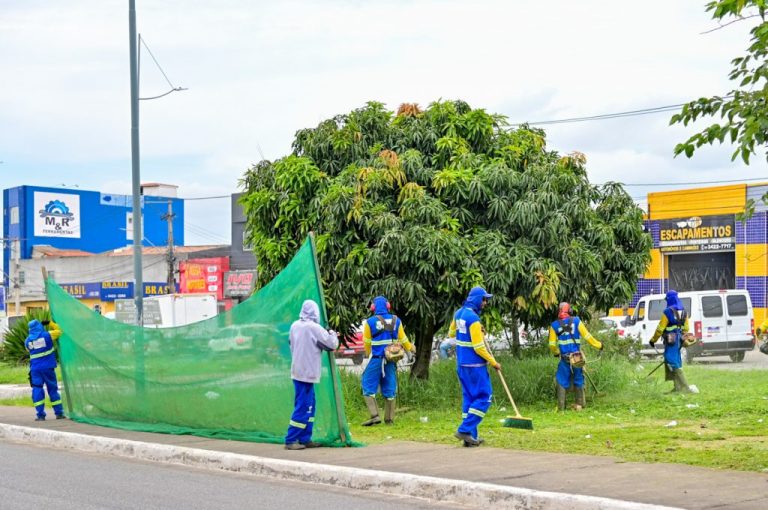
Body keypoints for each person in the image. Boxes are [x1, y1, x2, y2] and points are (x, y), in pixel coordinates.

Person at [449, 286, 500, 447]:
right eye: (484, 299)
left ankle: (470, 437)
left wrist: (477, 331)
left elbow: (451, 333)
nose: (485, 303)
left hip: (462, 364)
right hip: (475, 366)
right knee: (484, 397)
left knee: (470, 400)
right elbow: (479, 347)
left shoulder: (459, 314)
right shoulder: (474, 319)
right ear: (477, 299)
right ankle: (464, 430)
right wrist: (493, 362)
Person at [284, 300, 339, 450]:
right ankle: (291, 439)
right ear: (315, 312)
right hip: (307, 373)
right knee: (303, 406)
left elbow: (292, 343)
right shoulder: (314, 328)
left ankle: (305, 438)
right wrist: (333, 334)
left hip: (297, 371)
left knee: (310, 406)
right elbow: (331, 345)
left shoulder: (295, 326)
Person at [361, 296, 415, 426]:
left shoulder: (370, 322)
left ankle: (374, 416)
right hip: (391, 360)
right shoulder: (396, 320)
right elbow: (403, 339)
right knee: (390, 388)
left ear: (373, 307)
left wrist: (367, 354)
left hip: (376, 360)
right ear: (388, 306)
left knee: (367, 385)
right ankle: (389, 420)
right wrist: (411, 349)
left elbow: (367, 342)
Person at [549, 302, 602, 411]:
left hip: (564, 358)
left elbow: (552, 345)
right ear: (570, 311)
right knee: (579, 378)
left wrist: (556, 352)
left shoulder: (554, 325)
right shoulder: (577, 321)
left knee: (561, 379)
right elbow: (588, 337)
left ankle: (561, 406)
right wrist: (599, 345)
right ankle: (580, 404)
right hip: (577, 357)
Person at [649, 290, 693, 393]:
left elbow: (660, 328)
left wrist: (653, 340)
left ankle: (686, 387)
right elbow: (686, 328)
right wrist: (682, 338)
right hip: (679, 341)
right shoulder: (684, 311)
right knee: (676, 361)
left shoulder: (667, 312)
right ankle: (677, 388)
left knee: (671, 360)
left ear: (669, 299)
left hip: (671, 341)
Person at [25, 319, 65, 421]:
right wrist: (50, 323)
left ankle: (40, 415)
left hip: (35, 370)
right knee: (52, 389)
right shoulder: (48, 335)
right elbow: (60, 331)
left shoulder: (27, 341)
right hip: (48, 368)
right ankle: (59, 413)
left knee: (37, 389)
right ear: (39, 326)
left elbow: (29, 350)